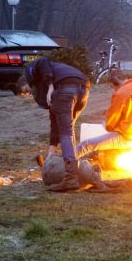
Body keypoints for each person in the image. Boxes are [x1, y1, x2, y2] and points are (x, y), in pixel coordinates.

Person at [17, 57, 90, 192]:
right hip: (83, 88)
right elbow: (54, 121)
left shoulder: (31, 71)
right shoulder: (52, 77)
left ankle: (71, 177)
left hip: (65, 88)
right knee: (69, 129)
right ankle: (75, 170)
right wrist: (51, 150)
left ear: (25, 82)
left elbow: (42, 61)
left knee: (66, 133)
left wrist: (50, 86)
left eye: (26, 91)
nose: (28, 94)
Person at [76, 69, 132, 158]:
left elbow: (111, 121)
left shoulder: (120, 93)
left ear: (113, 83)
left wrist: (107, 126)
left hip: (128, 137)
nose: (114, 90)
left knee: (85, 145)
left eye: (112, 87)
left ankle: (66, 164)